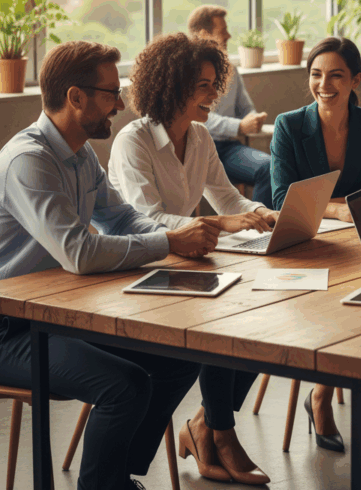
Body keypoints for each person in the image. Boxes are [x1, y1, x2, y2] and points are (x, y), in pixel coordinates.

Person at [0, 41, 221, 490]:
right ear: (76, 97)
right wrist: (168, 239)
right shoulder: (28, 161)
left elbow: (120, 216)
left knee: (179, 359)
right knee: (125, 386)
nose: (122, 103)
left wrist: (173, 241)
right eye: (112, 93)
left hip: (53, 315)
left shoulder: (80, 153)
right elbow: (79, 253)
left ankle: (113, 477)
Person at [108, 33, 277, 485]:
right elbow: (143, 219)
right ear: (170, 87)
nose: (212, 96)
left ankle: (209, 425)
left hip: (187, 265)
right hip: (138, 271)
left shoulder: (200, 137)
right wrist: (221, 225)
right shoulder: (133, 141)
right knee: (221, 323)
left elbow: (226, 199)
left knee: (260, 316)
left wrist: (261, 213)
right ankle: (217, 433)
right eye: (200, 86)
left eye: (212, 84)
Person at [270, 36, 361, 451]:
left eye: (336, 76)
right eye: (316, 75)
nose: (324, 84)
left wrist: (331, 203)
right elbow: (283, 198)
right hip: (306, 243)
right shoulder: (289, 125)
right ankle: (321, 397)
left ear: (356, 79)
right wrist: (339, 210)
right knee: (327, 303)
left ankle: (320, 390)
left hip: (360, 243)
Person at [187, 5, 273, 209]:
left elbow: (246, 108)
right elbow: (198, 117)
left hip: (228, 149)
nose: (228, 35)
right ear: (203, 33)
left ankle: (264, 228)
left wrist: (254, 119)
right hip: (196, 147)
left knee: (271, 167)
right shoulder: (187, 70)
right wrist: (239, 127)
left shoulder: (230, 69)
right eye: (222, 30)